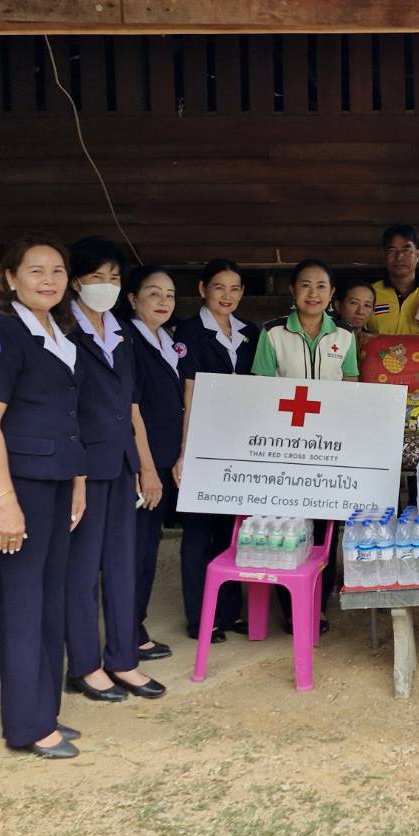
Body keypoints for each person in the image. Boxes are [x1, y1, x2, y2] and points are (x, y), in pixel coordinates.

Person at [0, 237, 86, 759]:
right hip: (22, 485)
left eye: (57, 271)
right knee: (22, 601)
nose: (48, 279)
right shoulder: (0, 335)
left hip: (57, 481)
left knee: (50, 595)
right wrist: (5, 502)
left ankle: (45, 711)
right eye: (35, 271)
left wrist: (78, 480)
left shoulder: (58, 333)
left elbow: (66, 417)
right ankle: (25, 725)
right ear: (10, 278)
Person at [63, 237, 165, 703]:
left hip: (122, 463)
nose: (105, 286)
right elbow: (62, 409)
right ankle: (86, 665)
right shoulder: (62, 331)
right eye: (96, 278)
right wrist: (76, 477)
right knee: (82, 572)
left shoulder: (120, 334)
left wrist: (147, 467)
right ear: (76, 281)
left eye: (113, 278)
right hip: (83, 466)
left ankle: (123, 658)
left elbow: (133, 406)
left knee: (121, 566)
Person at [253, 259, 359, 633]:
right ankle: (289, 605)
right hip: (285, 446)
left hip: (328, 446)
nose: (312, 293)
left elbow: (351, 388)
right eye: (305, 285)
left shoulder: (344, 336)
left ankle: (319, 602)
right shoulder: (272, 333)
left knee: (326, 526)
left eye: (321, 286)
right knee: (291, 524)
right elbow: (261, 391)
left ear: (332, 295)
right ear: (293, 291)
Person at [172, 258, 258, 643]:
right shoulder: (188, 332)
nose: (228, 295)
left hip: (239, 445)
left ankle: (228, 612)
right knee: (198, 533)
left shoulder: (249, 332)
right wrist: (186, 450)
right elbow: (188, 395)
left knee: (231, 531)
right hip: (203, 443)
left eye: (235, 288)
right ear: (203, 289)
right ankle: (200, 618)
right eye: (220, 287)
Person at [126, 265, 183, 662]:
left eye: (169, 295)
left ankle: (133, 624)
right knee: (134, 550)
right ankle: (128, 630)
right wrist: (145, 468)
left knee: (147, 546)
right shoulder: (128, 341)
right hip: (143, 466)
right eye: (153, 294)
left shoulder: (165, 340)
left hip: (162, 463)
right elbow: (132, 410)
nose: (163, 301)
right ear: (132, 299)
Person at [367, 223, 419, 334]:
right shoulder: (369, 293)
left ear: (418, 255)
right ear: (384, 256)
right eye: (392, 250)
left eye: (406, 250)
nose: (399, 257)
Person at [334, 279, 377, 356]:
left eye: (367, 305)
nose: (360, 311)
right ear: (338, 306)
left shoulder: (375, 342)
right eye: (354, 303)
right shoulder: (326, 339)